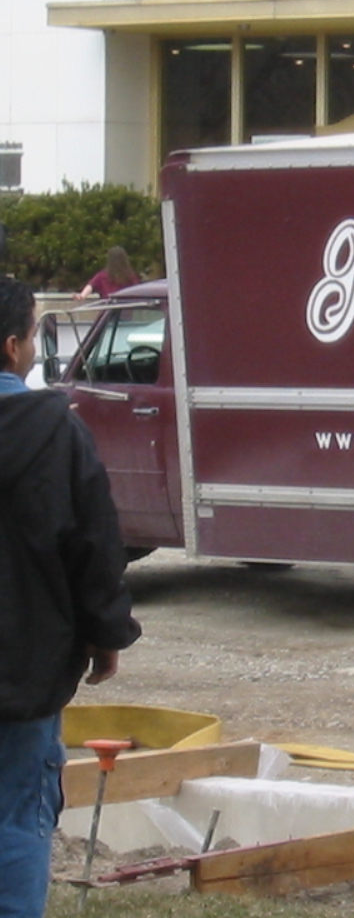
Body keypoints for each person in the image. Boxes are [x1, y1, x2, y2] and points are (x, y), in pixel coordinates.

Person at [0, 278, 141, 916]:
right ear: (13, 346)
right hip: (24, 673)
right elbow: (93, 545)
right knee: (17, 818)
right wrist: (106, 634)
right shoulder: (55, 430)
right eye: (34, 333)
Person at [75, 246, 141, 300]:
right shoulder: (130, 275)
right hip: (125, 309)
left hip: (109, 308)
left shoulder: (103, 275)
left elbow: (90, 286)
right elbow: (136, 291)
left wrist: (82, 295)